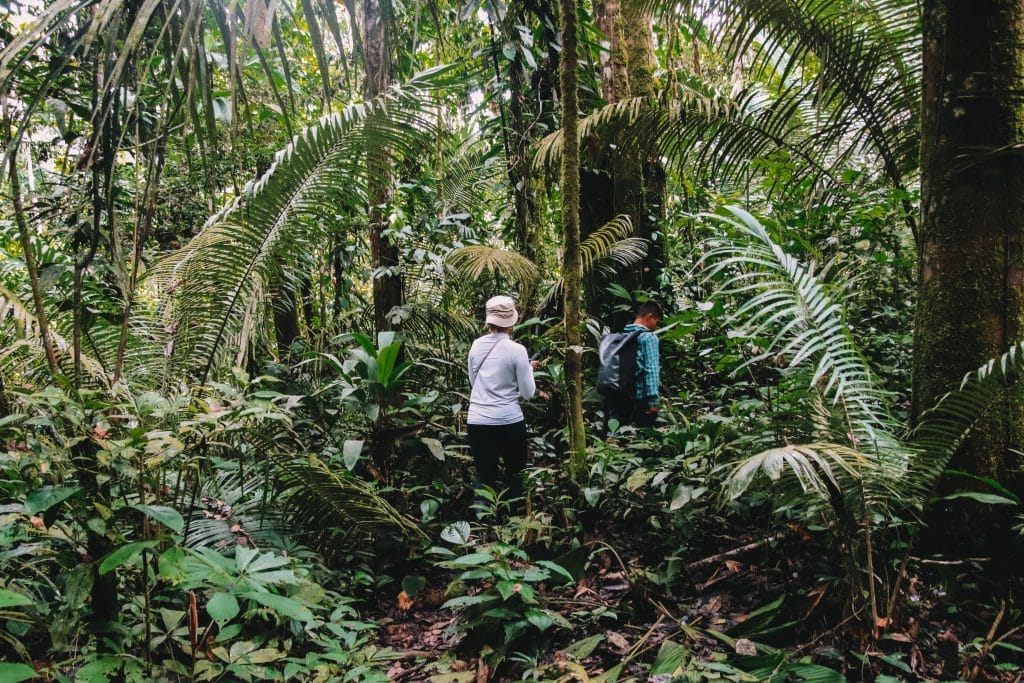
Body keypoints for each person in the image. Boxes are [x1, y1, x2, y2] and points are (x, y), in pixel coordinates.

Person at [467, 295, 538, 500]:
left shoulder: (476, 346)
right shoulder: (518, 351)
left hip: (478, 421)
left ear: (489, 320)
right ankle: (514, 524)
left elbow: (474, 383)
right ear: (512, 322)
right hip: (509, 421)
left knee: (484, 477)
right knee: (515, 475)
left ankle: (481, 525)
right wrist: (529, 371)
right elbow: (528, 393)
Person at [604, 301, 663, 431]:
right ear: (649, 316)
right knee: (640, 440)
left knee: (614, 436)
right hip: (637, 398)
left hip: (615, 394)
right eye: (657, 322)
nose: (656, 327)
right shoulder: (648, 337)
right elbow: (651, 370)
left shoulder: (619, 337)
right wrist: (653, 402)